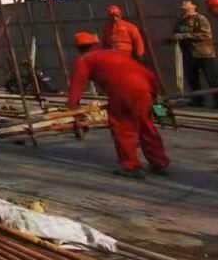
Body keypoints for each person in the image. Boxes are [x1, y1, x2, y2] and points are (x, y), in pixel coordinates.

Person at [67, 32, 169, 178]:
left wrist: (73, 108)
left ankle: (131, 166)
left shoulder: (85, 59)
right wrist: (155, 93)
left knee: (123, 129)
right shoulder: (115, 54)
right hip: (144, 90)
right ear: (96, 44)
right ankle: (159, 163)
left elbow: (76, 87)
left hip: (122, 93)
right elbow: (147, 73)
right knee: (147, 127)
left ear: (79, 48)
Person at [172, 0, 216, 108]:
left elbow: (206, 35)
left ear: (194, 6)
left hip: (203, 53)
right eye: (182, 2)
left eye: (186, 2)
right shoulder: (180, 20)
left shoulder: (200, 18)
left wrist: (184, 35)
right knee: (192, 80)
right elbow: (176, 33)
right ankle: (198, 101)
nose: (183, 4)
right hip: (188, 54)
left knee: (212, 79)